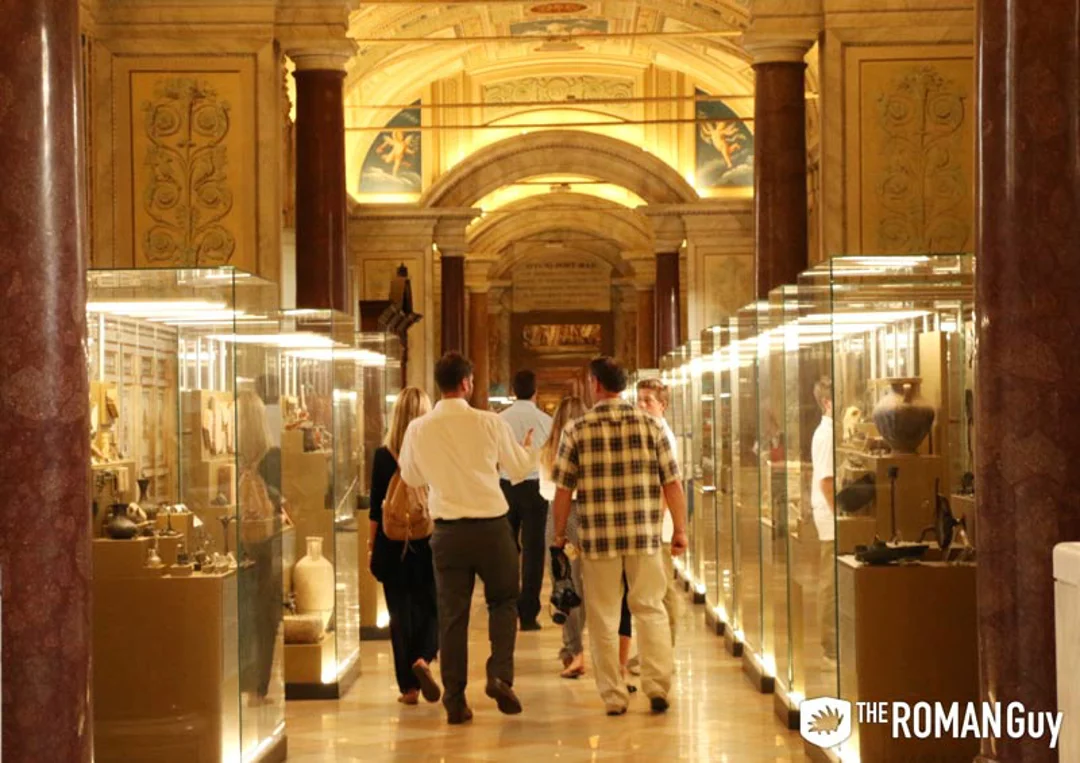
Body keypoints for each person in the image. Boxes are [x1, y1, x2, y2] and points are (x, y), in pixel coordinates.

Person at [398, 352, 538, 724]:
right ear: (466, 383)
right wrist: (528, 447)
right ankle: (498, 676)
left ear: (440, 383)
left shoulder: (418, 428)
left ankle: (456, 701)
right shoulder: (489, 423)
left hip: (447, 532)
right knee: (505, 602)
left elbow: (410, 477)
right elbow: (520, 470)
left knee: (452, 616)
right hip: (492, 527)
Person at [551, 357, 688, 716]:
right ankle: (658, 686)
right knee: (650, 609)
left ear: (595, 384)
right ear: (623, 385)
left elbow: (563, 490)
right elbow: (672, 484)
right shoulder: (651, 427)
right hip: (644, 536)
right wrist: (681, 530)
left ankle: (614, 695)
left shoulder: (576, 430)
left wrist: (559, 536)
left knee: (604, 617)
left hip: (599, 540)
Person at [368, 387, 440, 706]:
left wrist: (372, 546)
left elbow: (374, 508)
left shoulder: (383, 456)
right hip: (427, 540)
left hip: (391, 542)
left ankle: (408, 689)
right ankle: (424, 657)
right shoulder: (434, 450)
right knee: (432, 605)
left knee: (399, 614)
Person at [236, 389, 283, 704]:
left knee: (255, 613)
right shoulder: (268, 457)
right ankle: (256, 682)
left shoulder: (258, 462)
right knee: (259, 613)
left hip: (257, 545)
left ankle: (255, 681)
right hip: (264, 544)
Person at [538, 395, 588, 678]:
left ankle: (573, 649)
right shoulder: (589, 445)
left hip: (559, 516)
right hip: (589, 516)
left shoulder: (548, 450)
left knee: (564, 583)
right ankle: (575, 647)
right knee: (585, 584)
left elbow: (546, 491)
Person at [500, 369, 554, 630]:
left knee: (507, 548)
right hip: (536, 487)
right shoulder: (546, 420)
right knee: (533, 550)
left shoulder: (500, 420)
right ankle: (529, 613)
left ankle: (507, 606)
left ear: (513, 391)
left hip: (506, 484)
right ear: (536, 392)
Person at [635, 378, 681, 645]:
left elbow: (668, 485)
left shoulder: (664, 437)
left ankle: (666, 648)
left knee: (663, 590)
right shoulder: (649, 432)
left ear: (662, 405)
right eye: (639, 400)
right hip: (651, 526)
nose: (641, 405)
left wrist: (661, 521)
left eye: (648, 401)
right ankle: (655, 648)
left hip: (659, 528)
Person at [810, 377, 837, 661]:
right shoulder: (826, 434)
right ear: (828, 402)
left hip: (829, 512)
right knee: (829, 580)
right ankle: (830, 641)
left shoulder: (828, 432)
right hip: (830, 516)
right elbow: (826, 481)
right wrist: (839, 515)